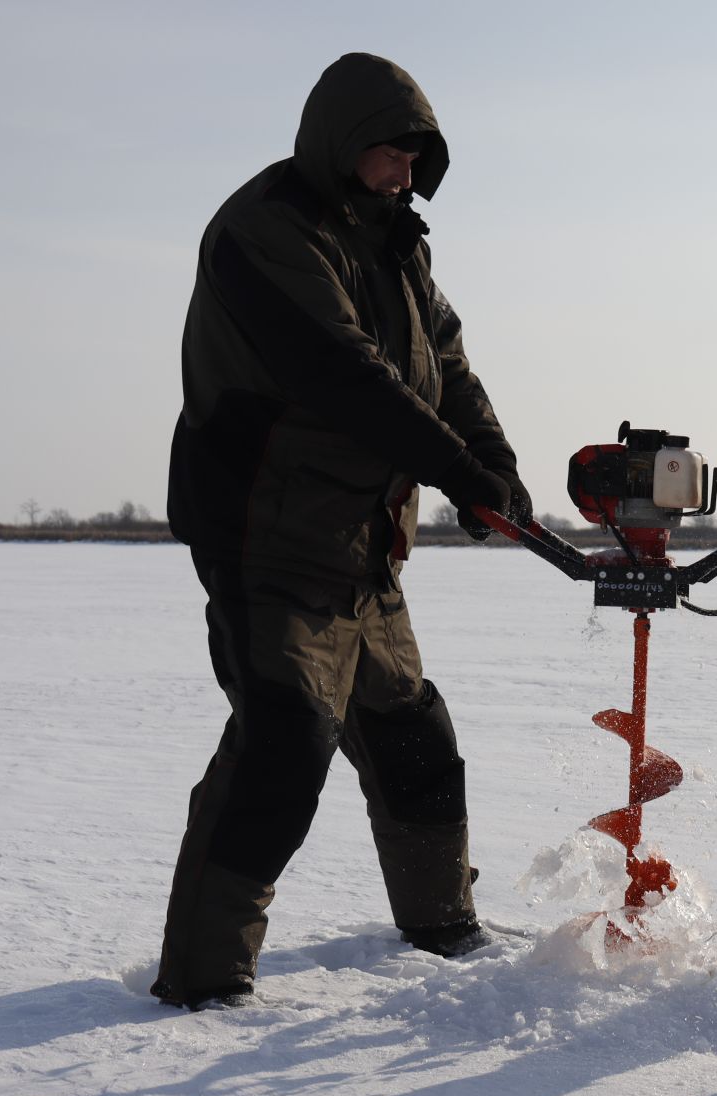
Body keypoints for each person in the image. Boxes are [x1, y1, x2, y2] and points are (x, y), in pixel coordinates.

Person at [152, 52, 532, 1009]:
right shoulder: (263, 231)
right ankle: (201, 986)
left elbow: (449, 367)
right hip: (265, 539)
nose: (404, 174)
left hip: (364, 551)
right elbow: (344, 376)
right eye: (388, 155)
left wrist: (500, 474)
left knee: (415, 741)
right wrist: (457, 470)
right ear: (340, 144)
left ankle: (444, 927)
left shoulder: (400, 249)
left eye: (416, 159)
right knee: (284, 743)